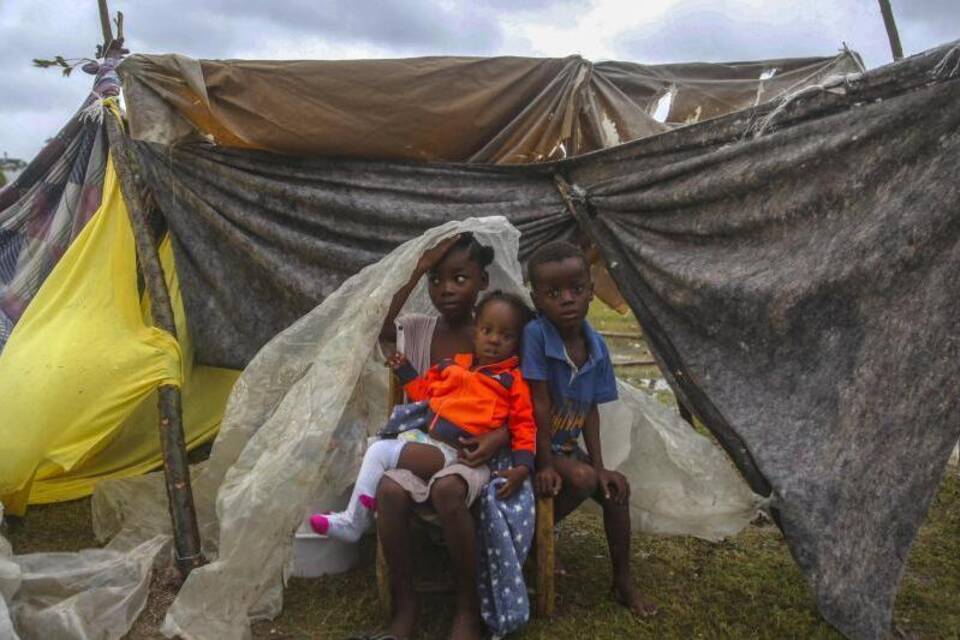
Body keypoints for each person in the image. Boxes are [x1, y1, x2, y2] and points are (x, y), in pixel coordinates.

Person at [370, 233, 517, 640]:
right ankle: (406, 609)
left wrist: (500, 436)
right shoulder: (420, 332)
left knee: (449, 490)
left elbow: (519, 395)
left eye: (459, 278)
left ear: (482, 281)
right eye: (436, 280)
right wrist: (417, 267)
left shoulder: (493, 333)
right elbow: (380, 324)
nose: (446, 289)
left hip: (474, 455)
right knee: (388, 490)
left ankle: (467, 609)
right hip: (428, 445)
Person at [309, 290, 535, 542]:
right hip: (427, 439)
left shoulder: (512, 381)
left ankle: (354, 522)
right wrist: (406, 372)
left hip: (454, 453)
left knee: (379, 452)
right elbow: (426, 396)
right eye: (487, 331)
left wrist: (524, 467)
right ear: (476, 330)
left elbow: (524, 424)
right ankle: (358, 513)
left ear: (518, 342)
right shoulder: (455, 366)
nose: (494, 340)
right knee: (370, 447)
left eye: (506, 336)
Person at [522, 240, 658, 618]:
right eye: (553, 293)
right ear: (537, 300)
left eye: (576, 289)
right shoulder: (536, 335)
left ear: (591, 292)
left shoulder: (596, 347)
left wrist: (602, 466)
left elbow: (590, 412)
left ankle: (623, 582)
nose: (567, 299)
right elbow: (539, 404)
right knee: (579, 478)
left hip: (565, 449)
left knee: (615, 489)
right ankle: (534, 539)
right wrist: (546, 463)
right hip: (528, 446)